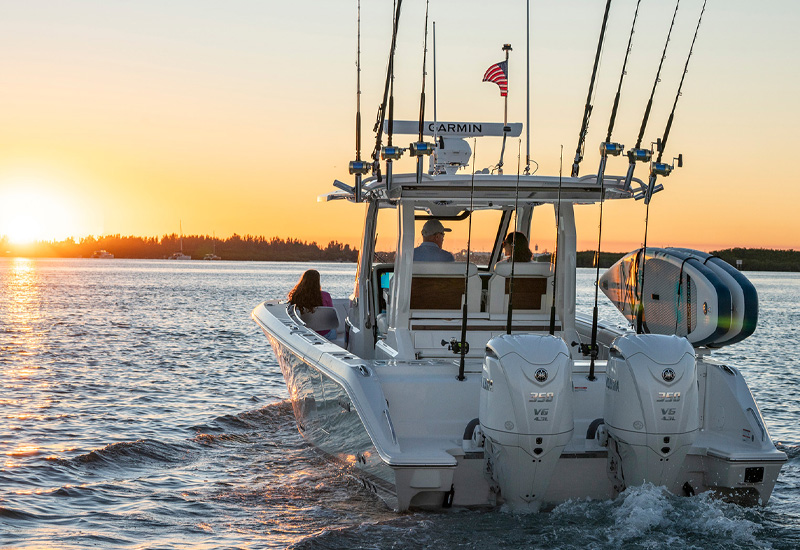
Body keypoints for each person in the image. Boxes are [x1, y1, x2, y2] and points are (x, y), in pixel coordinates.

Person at [288, 270, 336, 338]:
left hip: (306, 332)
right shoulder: (326, 295)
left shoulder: (297, 296)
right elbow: (331, 315)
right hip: (325, 334)